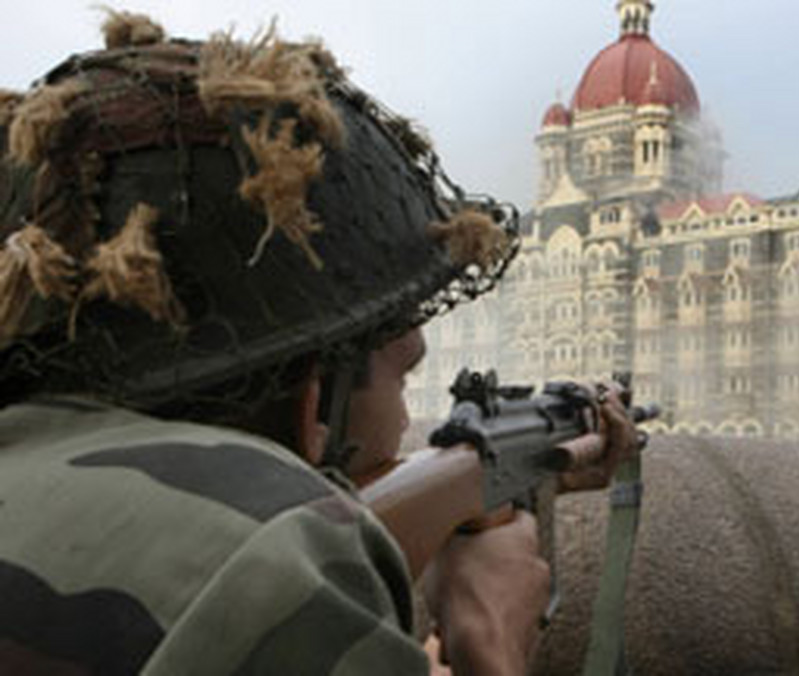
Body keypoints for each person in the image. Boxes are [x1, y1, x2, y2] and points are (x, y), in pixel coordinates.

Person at [0, 13, 636, 676]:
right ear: (316, 405)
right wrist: (492, 641)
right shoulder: (276, 570)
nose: (402, 415)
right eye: (403, 374)